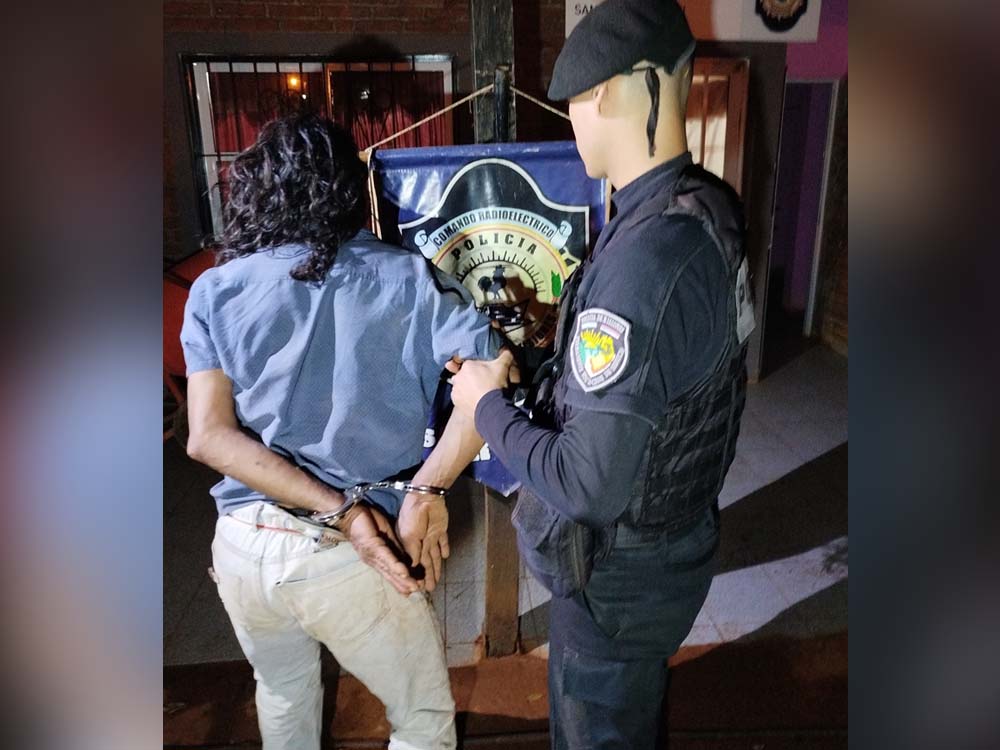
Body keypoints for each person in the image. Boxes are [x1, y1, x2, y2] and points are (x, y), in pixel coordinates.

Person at [450, 1, 754, 747]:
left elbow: (587, 484)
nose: (573, 123)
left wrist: (486, 406)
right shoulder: (701, 209)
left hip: (617, 582)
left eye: (577, 103)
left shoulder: (648, 257)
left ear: (617, 91)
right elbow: (666, 374)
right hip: (666, 549)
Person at [181, 113, 503, 750]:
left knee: (283, 691)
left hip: (243, 546)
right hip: (345, 554)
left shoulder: (214, 291)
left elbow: (207, 437)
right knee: (422, 721)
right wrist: (421, 491)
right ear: (349, 190)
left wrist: (345, 512)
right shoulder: (407, 278)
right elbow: (490, 377)